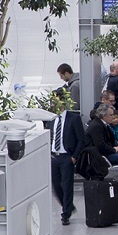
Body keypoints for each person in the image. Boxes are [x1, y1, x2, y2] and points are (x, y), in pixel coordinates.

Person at [49, 81, 85, 224]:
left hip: (66, 157)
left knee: (67, 184)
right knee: (56, 184)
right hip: (54, 156)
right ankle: (68, 206)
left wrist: (74, 157)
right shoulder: (51, 119)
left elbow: (81, 139)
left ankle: (66, 214)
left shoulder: (73, 118)